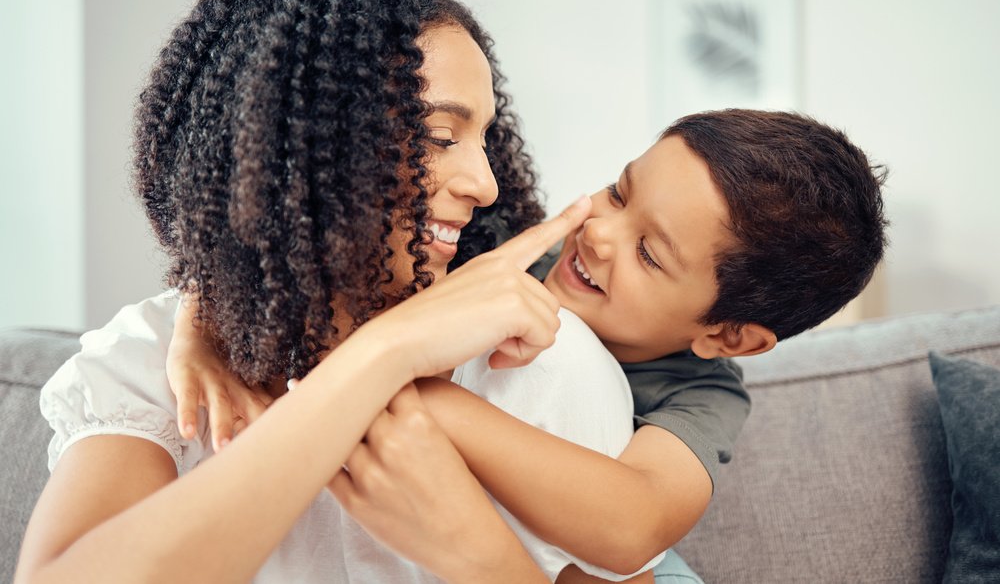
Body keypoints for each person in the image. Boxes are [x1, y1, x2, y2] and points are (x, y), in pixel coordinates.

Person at [14, 0, 595, 584]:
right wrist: (385, 353)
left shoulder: (537, 359)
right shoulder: (161, 367)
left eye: (484, 136)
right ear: (301, 152)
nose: (486, 186)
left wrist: (481, 559)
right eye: (438, 137)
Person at [166, 109, 888, 581]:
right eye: (618, 190)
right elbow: (290, 246)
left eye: (649, 254)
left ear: (726, 334)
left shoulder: (703, 391)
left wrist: (424, 393)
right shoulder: (512, 250)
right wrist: (196, 322)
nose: (600, 233)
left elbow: (631, 524)